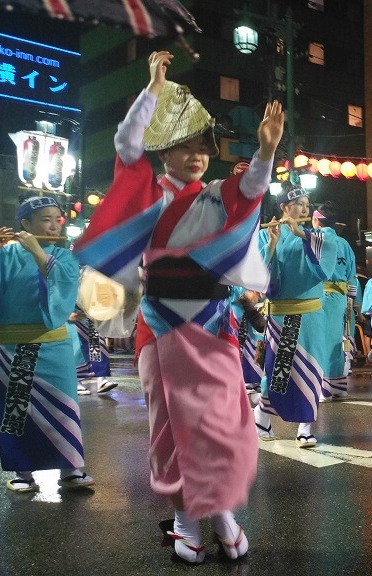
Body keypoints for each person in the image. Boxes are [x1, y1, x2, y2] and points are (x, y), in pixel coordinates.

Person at [74, 51, 283, 563]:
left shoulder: (215, 196)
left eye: (202, 149)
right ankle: (193, 518)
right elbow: (126, 144)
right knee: (171, 426)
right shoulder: (148, 195)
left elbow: (251, 189)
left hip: (213, 324)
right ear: (163, 151)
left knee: (222, 424)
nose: (195, 156)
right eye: (184, 147)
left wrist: (266, 150)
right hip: (159, 324)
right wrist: (151, 90)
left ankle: (218, 513)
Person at [0, 197, 95, 493]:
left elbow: (62, 290)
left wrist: (37, 252)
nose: (52, 224)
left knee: (63, 409)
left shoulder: (65, 257)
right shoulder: (3, 255)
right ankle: (23, 472)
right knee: (16, 411)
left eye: (56, 219)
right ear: (24, 223)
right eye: (44, 219)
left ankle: (71, 469)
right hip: (11, 347)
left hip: (54, 346)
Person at [254, 189, 339, 448]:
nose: (304, 209)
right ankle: (262, 415)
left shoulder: (319, 235)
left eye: (306, 204)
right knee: (278, 372)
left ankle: (305, 426)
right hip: (282, 315)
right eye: (298, 204)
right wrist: (271, 244)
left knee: (310, 370)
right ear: (284, 208)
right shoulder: (264, 234)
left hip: (309, 313)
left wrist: (301, 234)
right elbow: (259, 276)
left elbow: (325, 259)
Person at [314, 202, 357, 400]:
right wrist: (351, 301)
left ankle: (324, 386)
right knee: (337, 340)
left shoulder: (315, 239)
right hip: (340, 297)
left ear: (316, 219)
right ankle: (338, 386)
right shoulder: (344, 244)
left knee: (320, 339)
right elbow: (352, 275)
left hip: (320, 296)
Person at [71, 305, 119, 395]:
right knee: (76, 347)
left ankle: (101, 379)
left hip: (88, 311)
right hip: (69, 312)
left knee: (96, 343)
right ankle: (75, 382)